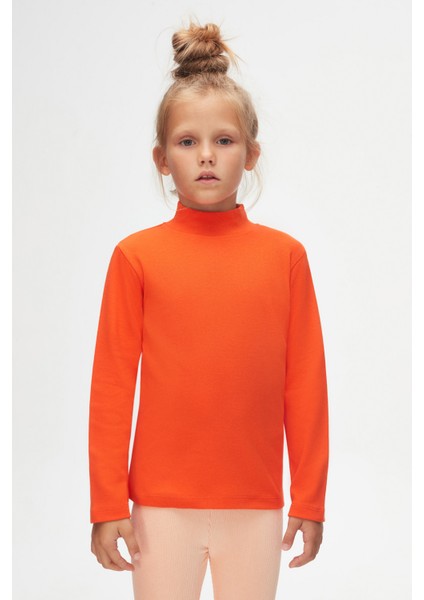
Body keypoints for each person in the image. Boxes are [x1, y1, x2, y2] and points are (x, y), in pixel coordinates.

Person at [89, 19, 329, 600]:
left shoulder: (285, 258)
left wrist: (310, 498)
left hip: (256, 503)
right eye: (186, 142)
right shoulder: (135, 257)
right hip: (158, 507)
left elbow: (305, 383)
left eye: (223, 141)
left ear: (251, 154)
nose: (205, 157)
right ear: (161, 158)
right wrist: (106, 503)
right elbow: (112, 387)